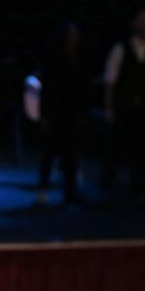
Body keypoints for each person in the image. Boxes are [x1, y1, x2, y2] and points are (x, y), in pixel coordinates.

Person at [101, 8, 145, 194]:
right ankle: (109, 180)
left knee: (140, 145)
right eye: (141, 20)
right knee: (116, 143)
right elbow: (110, 79)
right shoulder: (121, 48)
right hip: (123, 102)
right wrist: (109, 106)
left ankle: (137, 183)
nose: (144, 24)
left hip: (142, 103)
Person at [37, 21, 89, 205]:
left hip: (72, 112)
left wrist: (81, 112)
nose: (74, 40)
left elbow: (82, 88)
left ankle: (70, 191)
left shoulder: (79, 59)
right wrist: (43, 114)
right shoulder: (54, 59)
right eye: (71, 36)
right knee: (49, 153)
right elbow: (47, 89)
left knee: (71, 154)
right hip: (55, 111)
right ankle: (42, 191)